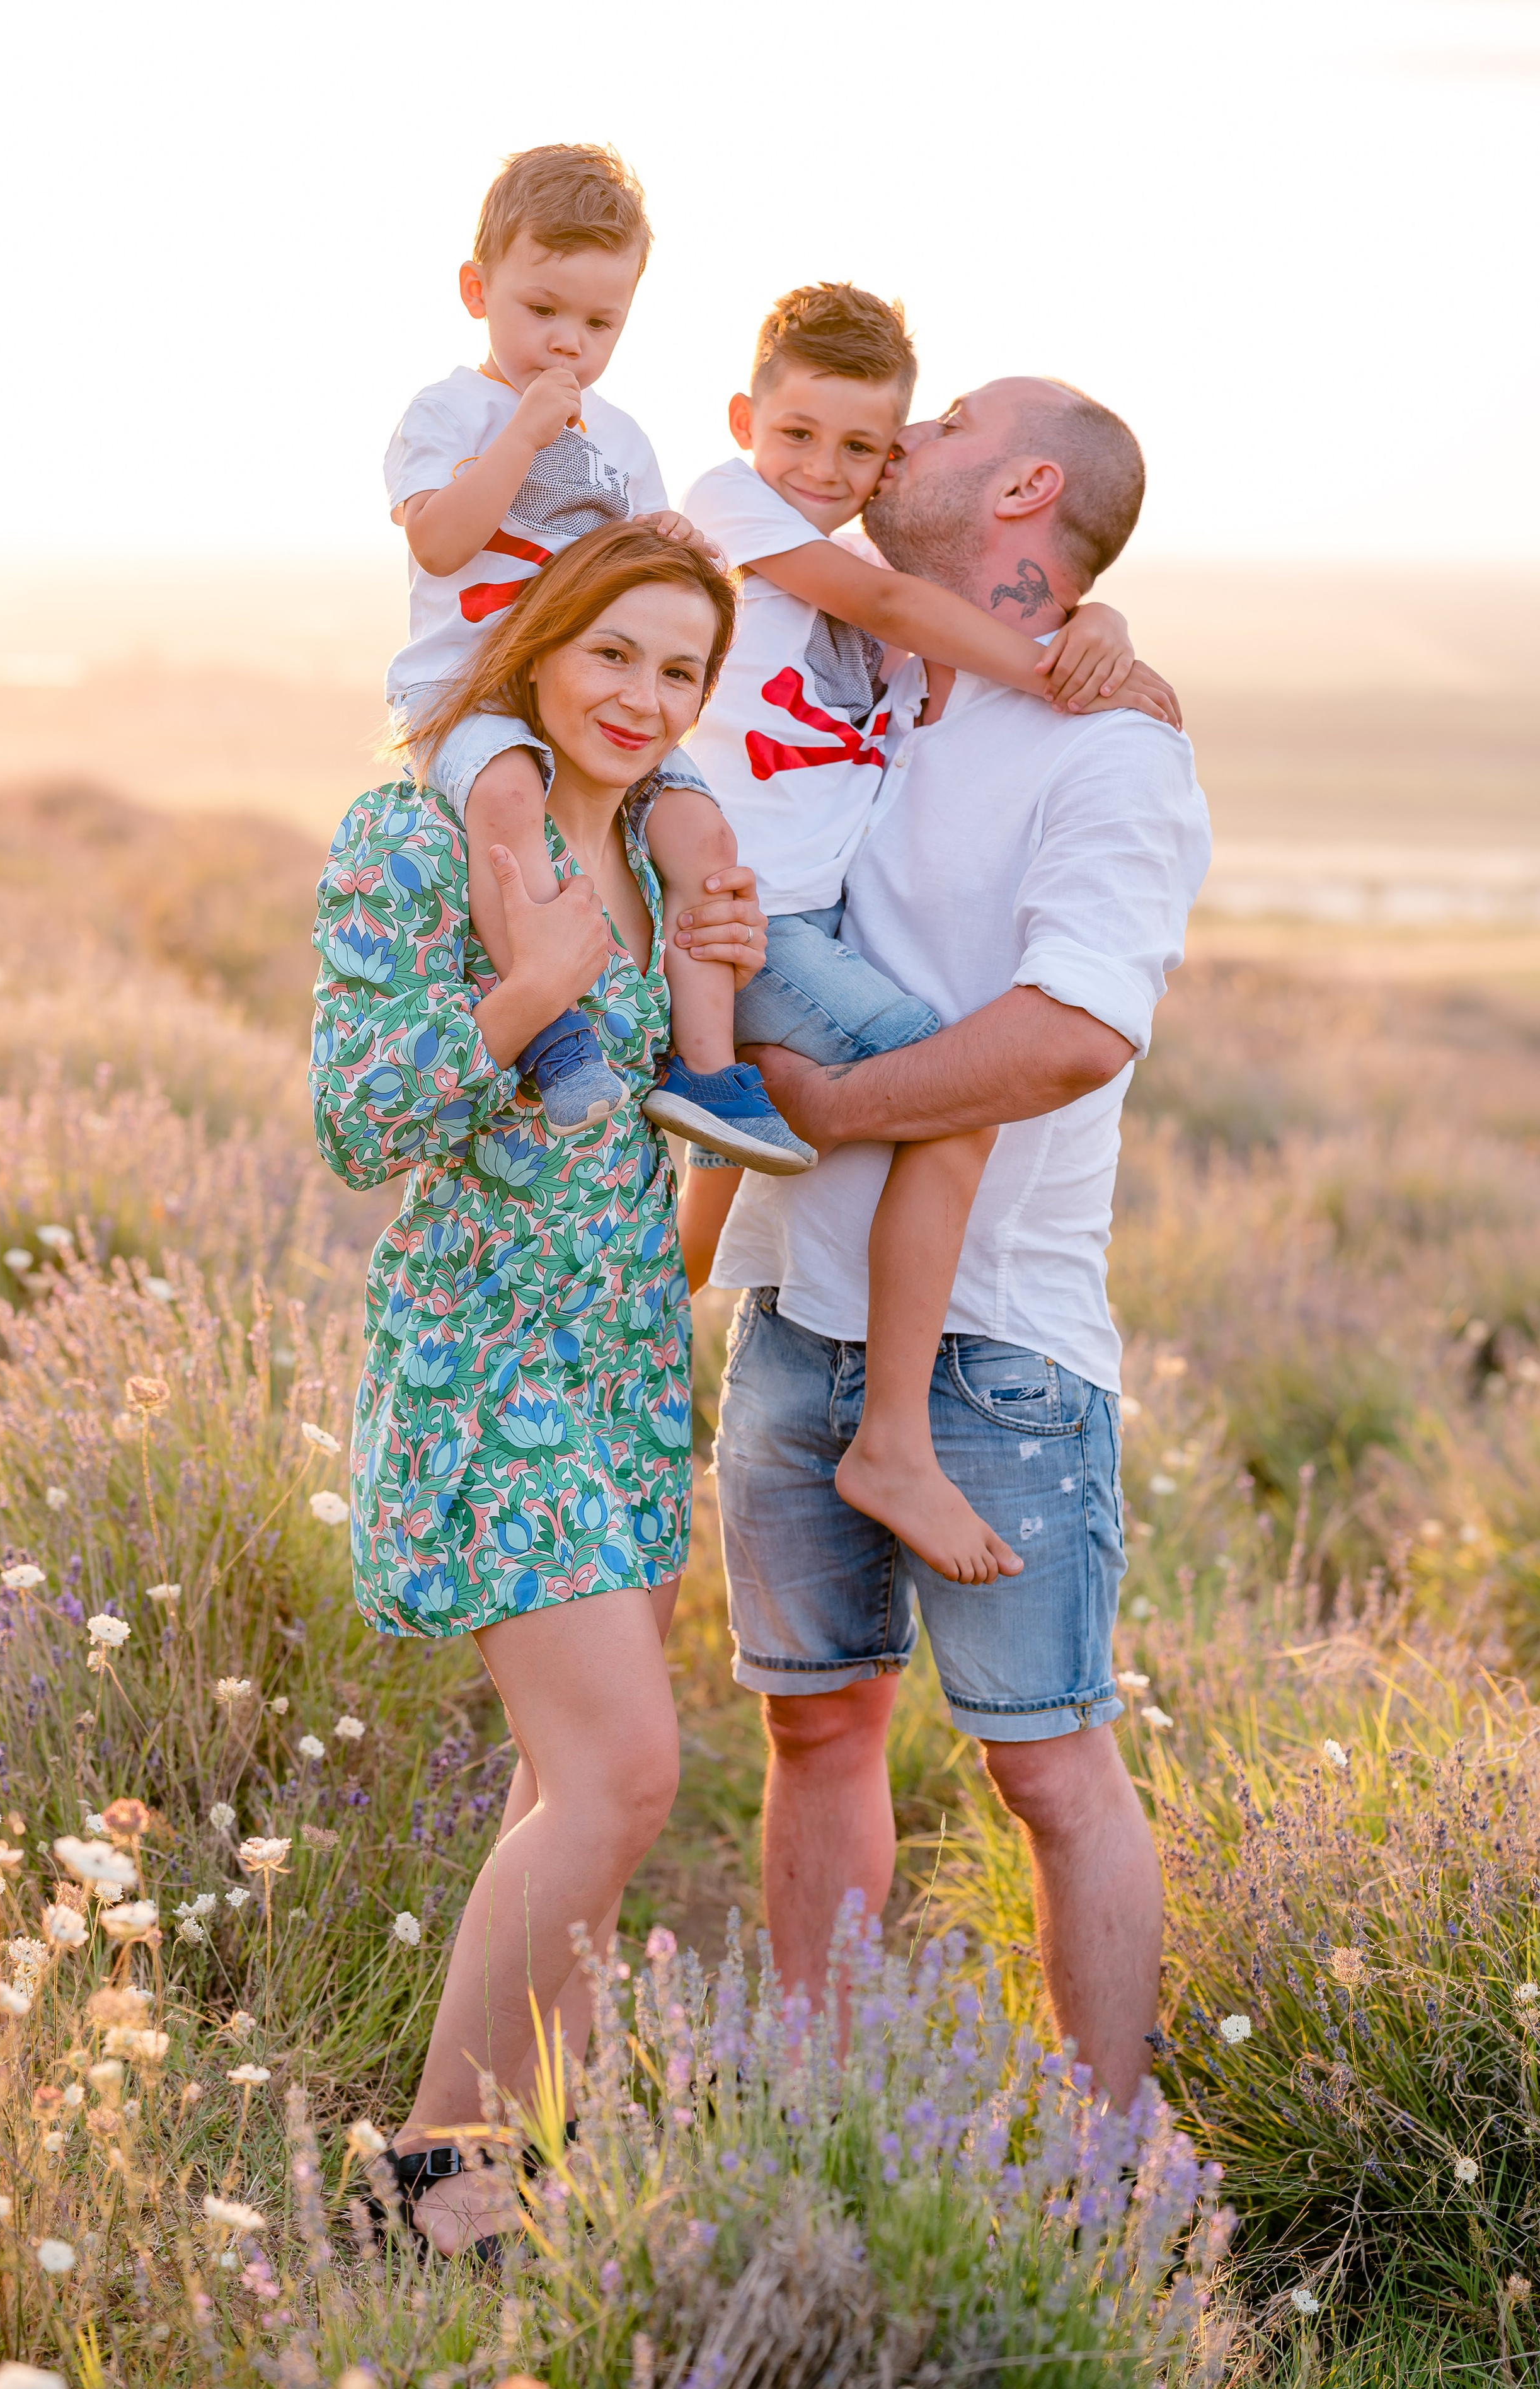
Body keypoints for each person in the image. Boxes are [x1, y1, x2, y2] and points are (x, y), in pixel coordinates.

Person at [707, 377, 1212, 2110]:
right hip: (795, 1315)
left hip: (999, 1340)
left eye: (943, 423)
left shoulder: (1115, 747)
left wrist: (839, 1111)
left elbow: (1076, 1028)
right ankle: (816, 2108)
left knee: (1051, 1772)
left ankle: (1114, 2155)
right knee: (815, 1727)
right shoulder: (869, 677)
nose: (896, 443)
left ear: (1029, 483)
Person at [311, 524, 764, 2256]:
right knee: (624, 1776)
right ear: (537, 649)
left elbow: (698, 1132)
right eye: (617, 654)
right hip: (484, 1351)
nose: (645, 698)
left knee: (567, 1784)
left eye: (683, 672)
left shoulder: (669, 853)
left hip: (631, 1353)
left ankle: (523, 2163)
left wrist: (719, 991)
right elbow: (363, 1126)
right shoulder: (413, 840)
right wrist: (532, 993)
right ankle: (428, 2172)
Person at [667, 283, 1180, 1587]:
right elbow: (906, 610)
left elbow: (922, 624)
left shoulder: (905, 663)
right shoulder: (749, 516)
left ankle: (659, 1343)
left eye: (912, 431)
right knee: (947, 1089)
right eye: (811, 438)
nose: (867, 463)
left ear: (1022, 486)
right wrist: (1063, 659)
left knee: (763, 1129)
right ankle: (867, 1428)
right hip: (758, 935)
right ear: (746, 423)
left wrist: (1094, 636)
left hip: (997, 1333)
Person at [384, 141, 811, 1171]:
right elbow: (440, 541)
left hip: (590, 695)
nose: (567, 345)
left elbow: (639, 562)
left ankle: (705, 1073)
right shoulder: (447, 414)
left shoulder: (621, 434)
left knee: (702, 830)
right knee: (504, 802)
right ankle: (552, 1032)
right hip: (473, 697)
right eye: (542, 312)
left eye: (599, 323)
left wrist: (683, 549)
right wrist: (522, 438)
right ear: (477, 291)